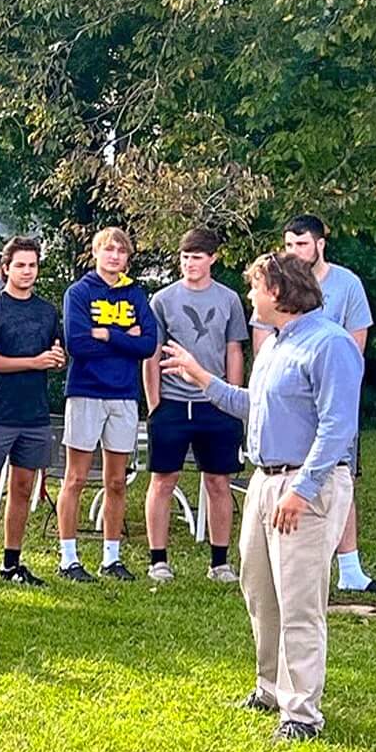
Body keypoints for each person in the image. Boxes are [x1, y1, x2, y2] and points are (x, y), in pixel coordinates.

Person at [162, 251, 363, 742]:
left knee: (299, 602)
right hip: (264, 481)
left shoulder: (330, 344)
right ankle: (269, 688)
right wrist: (202, 378)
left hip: (303, 488)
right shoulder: (275, 344)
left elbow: (339, 426)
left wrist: (303, 488)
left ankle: (302, 715)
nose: (249, 295)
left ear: (278, 292)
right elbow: (255, 405)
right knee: (260, 591)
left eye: (255, 287)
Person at [276, 214, 376, 599]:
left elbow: (355, 347)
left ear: (320, 244)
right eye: (289, 245)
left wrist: (336, 394)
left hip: (331, 405)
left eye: (301, 244)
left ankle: (350, 569)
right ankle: (295, 566)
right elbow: (266, 340)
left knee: (340, 479)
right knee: (290, 479)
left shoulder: (347, 285)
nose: (293, 252)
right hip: (290, 407)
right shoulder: (279, 283)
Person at [142, 229, 248, 584]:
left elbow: (234, 349)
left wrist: (232, 396)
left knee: (218, 482)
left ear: (213, 258)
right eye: (185, 257)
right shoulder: (162, 299)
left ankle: (219, 562)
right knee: (163, 479)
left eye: (198, 257)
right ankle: (158, 559)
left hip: (215, 402)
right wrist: (155, 402)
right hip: (172, 403)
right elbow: (151, 353)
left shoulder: (229, 299)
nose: (190, 263)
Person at [56, 226, 157, 582]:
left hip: (124, 394)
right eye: (108, 249)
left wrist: (107, 333)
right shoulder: (79, 292)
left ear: (127, 257)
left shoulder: (135, 295)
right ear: (95, 253)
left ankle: (110, 557)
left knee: (117, 480)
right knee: (76, 477)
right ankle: (68, 557)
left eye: (121, 251)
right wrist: (123, 340)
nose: (114, 256)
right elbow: (77, 345)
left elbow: (147, 345)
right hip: (85, 391)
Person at [0, 238, 64, 589]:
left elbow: (54, 350)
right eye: (20, 265)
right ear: (5, 267)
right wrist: (32, 363)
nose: (27, 271)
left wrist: (55, 359)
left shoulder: (47, 311)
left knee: (23, 488)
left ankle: (12, 561)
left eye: (32, 265)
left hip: (34, 413)